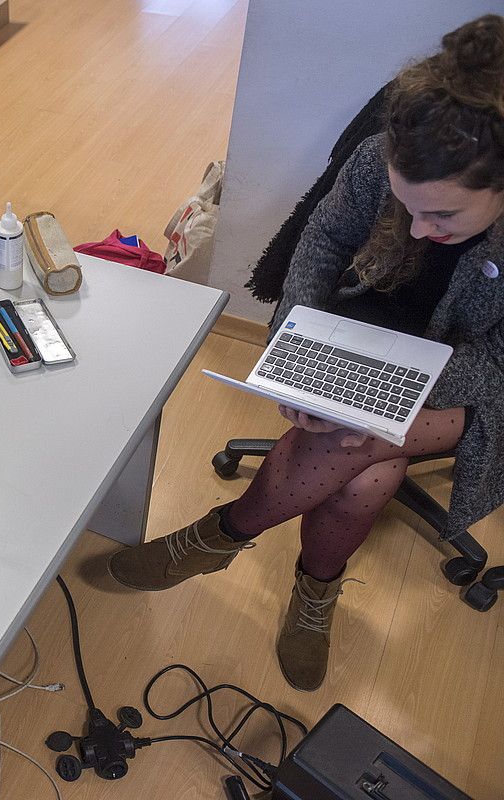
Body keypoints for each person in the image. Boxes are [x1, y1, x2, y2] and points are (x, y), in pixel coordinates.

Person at [103, 14, 504, 692]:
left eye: (442, 218)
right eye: (406, 207)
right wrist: (297, 348)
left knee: (358, 443)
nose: (414, 228)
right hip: (366, 327)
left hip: (473, 383)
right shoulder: (378, 158)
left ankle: (216, 538)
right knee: (366, 477)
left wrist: (386, 391)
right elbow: (318, 247)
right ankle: (315, 595)